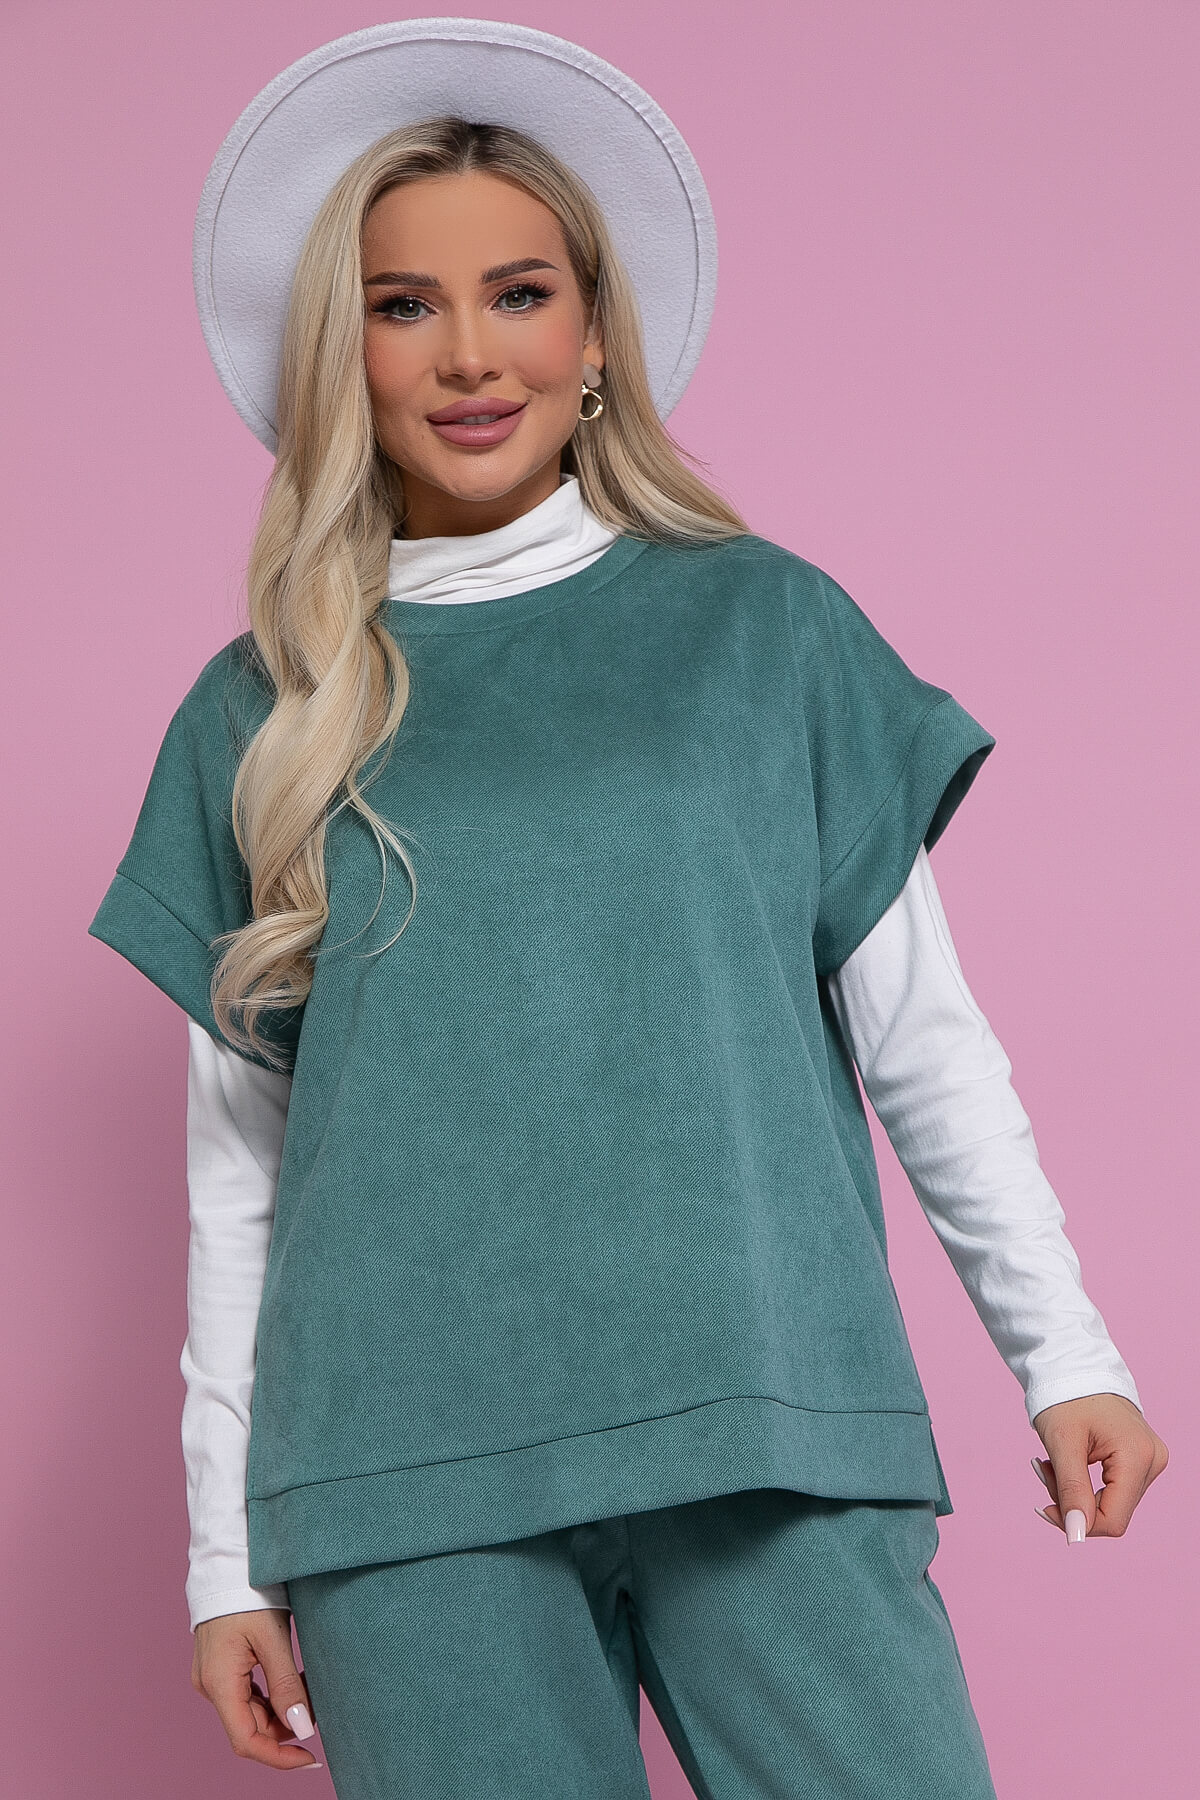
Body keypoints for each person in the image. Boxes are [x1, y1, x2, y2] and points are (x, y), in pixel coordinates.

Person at [87, 19, 1168, 1798]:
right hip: (400, 1482)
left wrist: (1066, 1354)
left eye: (518, 293)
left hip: (763, 1410)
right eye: (403, 305)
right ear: (342, 351)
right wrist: (225, 1561)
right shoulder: (261, 712)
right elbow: (244, 1172)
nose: (468, 353)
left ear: (596, 334)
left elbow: (924, 1039)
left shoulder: (765, 630)